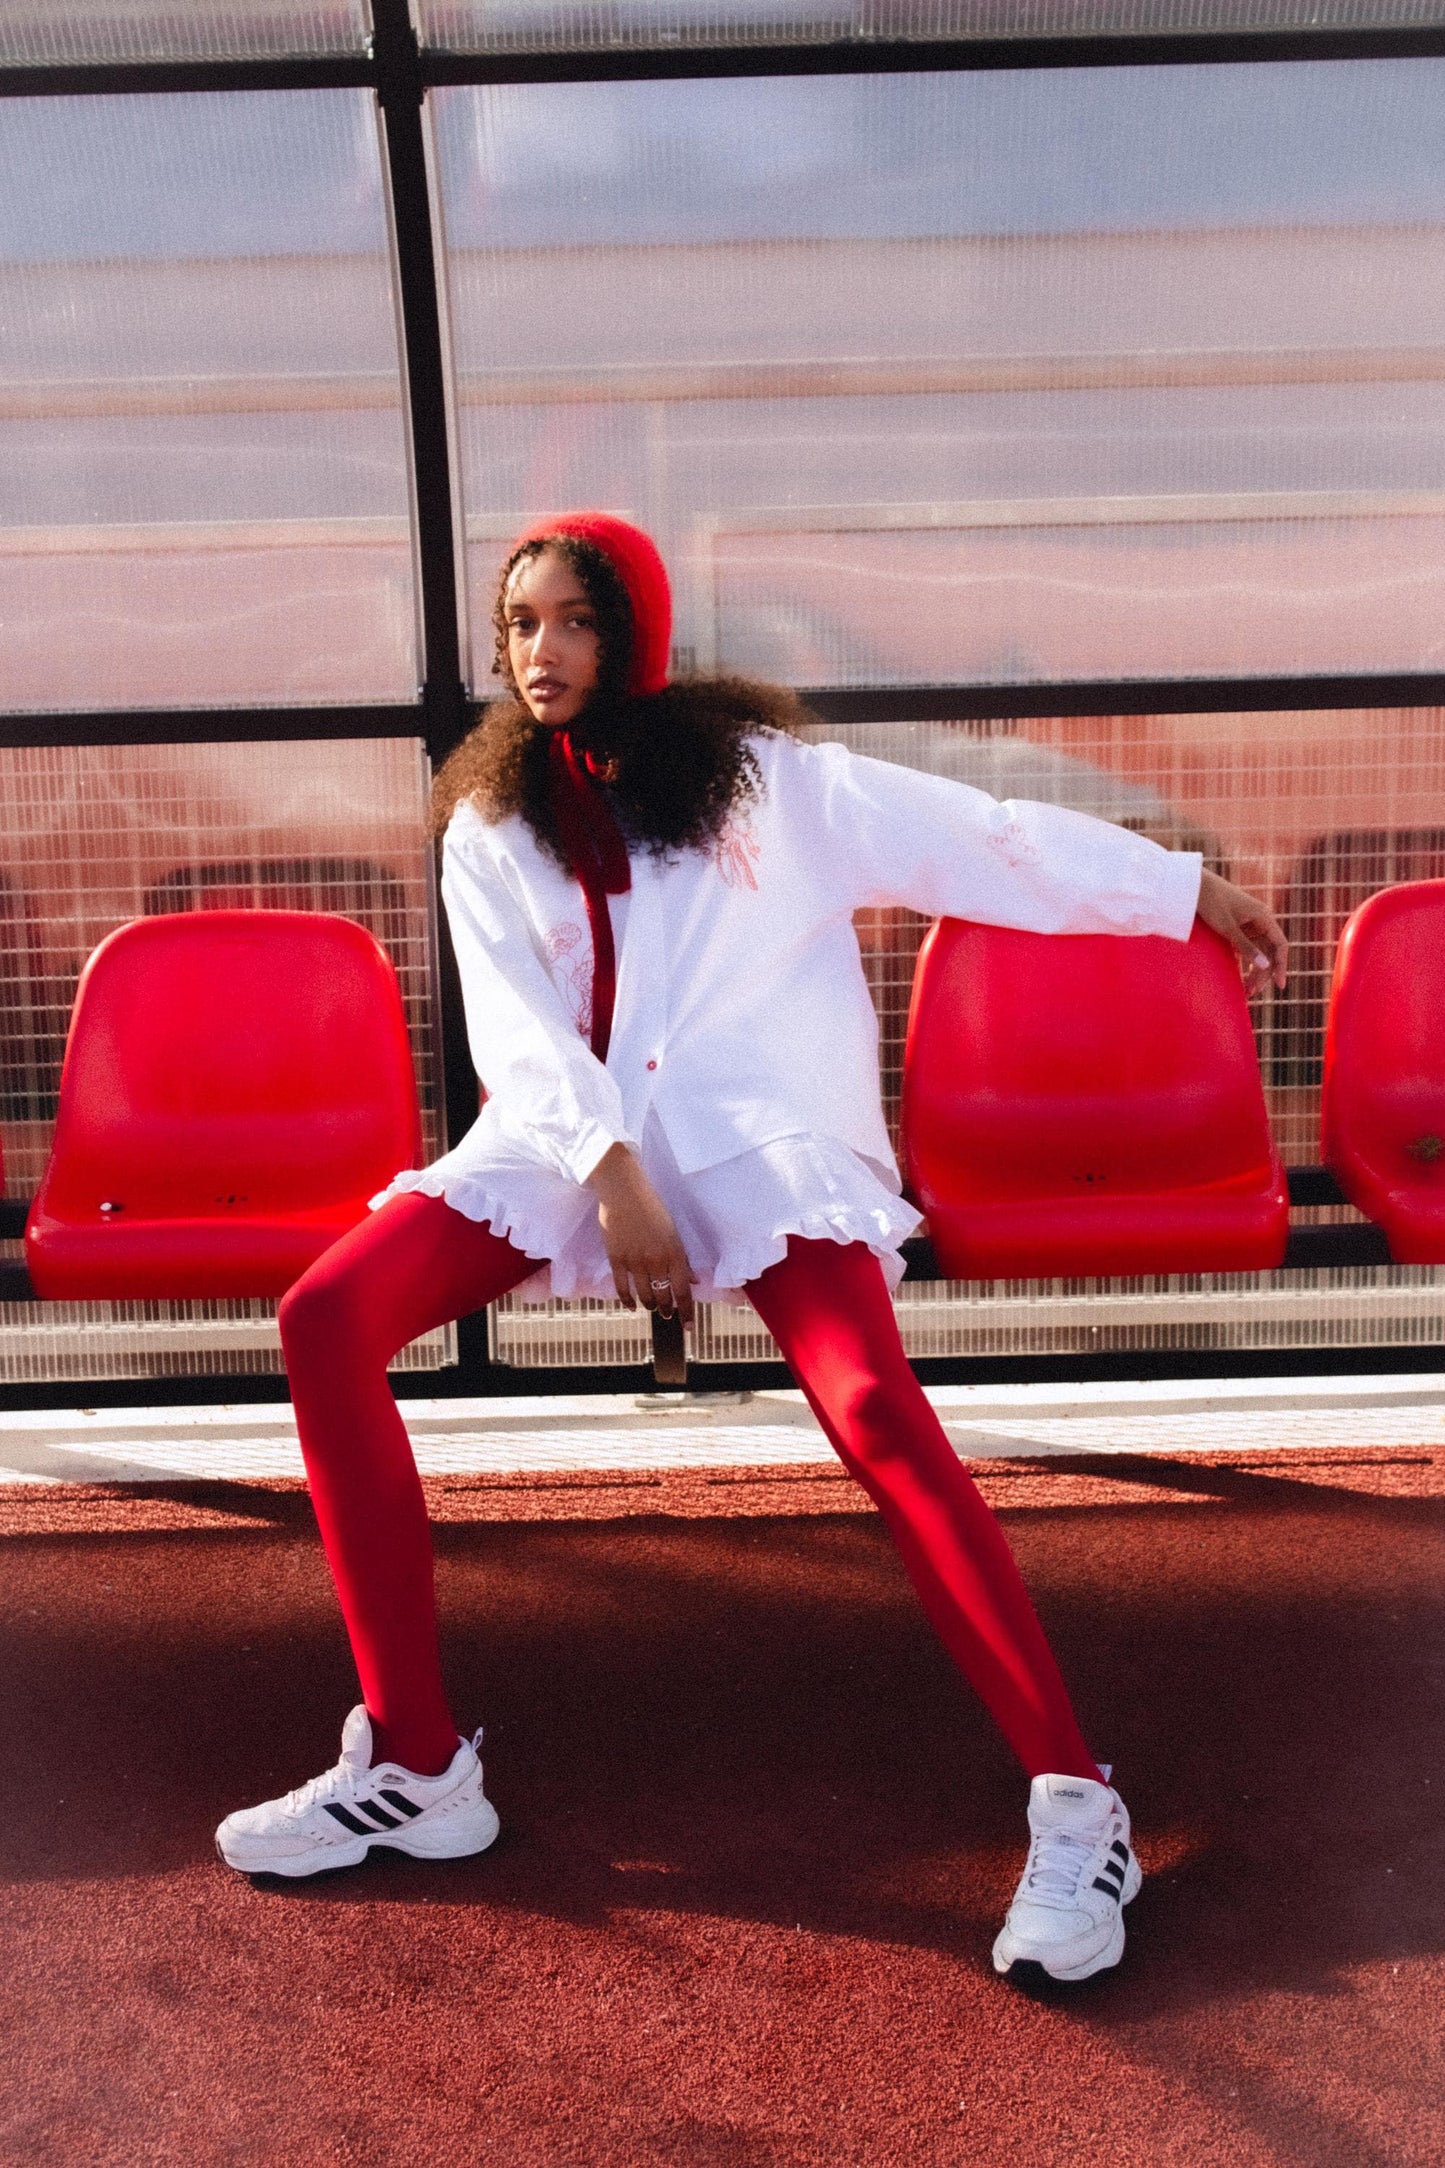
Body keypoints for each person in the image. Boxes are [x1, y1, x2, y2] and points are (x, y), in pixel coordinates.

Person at [215, 513, 1288, 1985]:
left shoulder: (771, 786)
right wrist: (608, 1176)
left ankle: (1077, 1800)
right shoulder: (486, 818)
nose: (543, 654)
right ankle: (414, 1763)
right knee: (324, 1320)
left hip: (758, 1132)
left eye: (576, 622)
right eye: (520, 625)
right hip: (564, 1138)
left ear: (638, 636)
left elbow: (978, 837)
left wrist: (1172, 892)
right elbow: (516, 1031)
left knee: (868, 1407)